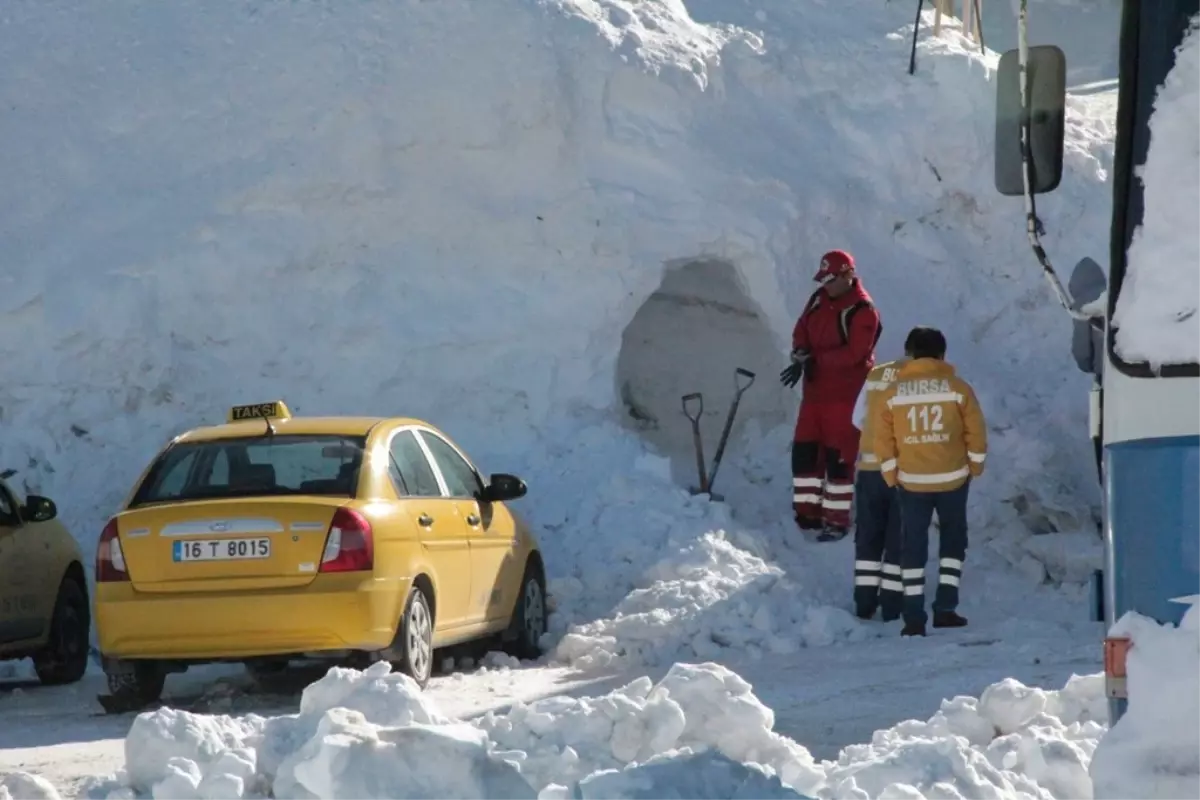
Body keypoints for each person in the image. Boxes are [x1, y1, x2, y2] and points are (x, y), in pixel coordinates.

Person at [873, 327, 987, 637]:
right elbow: (975, 429)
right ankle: (946, 608)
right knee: (953, 541)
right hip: (953, 478)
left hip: (911, 482)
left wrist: (890, 472)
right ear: (942, 355)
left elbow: (882, 438)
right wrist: (975, 465)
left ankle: (913, 617)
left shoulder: (892, 394)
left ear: (909, 355)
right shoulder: (958, 388)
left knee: (913, 546)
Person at [779, 249, 881, 542]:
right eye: (823, 279)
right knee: (805, 453)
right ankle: (807, 513)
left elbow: (856, 354)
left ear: (848, 275)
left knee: (839, 459)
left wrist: (816, 360)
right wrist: (800, 353)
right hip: (814, 395)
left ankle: (836, 520)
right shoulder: (818, 299)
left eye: (831, 279)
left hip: (844, 398)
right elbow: (802, 328)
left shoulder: (863, 310)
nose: (825, 285)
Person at [849, 347, 907, 621]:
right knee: (899, 539)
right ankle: (893, 605)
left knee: (868, 537)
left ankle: (864, 602)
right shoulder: (926, 381)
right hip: (906, 474)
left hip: (871, 470)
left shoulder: (877, 375)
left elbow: (857, 419)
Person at [1069, 256, 1107, 484]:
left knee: (1103, 443)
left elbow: (1082, 355)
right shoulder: (1117, 296)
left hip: (1108, 384)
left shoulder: (1084, 307)